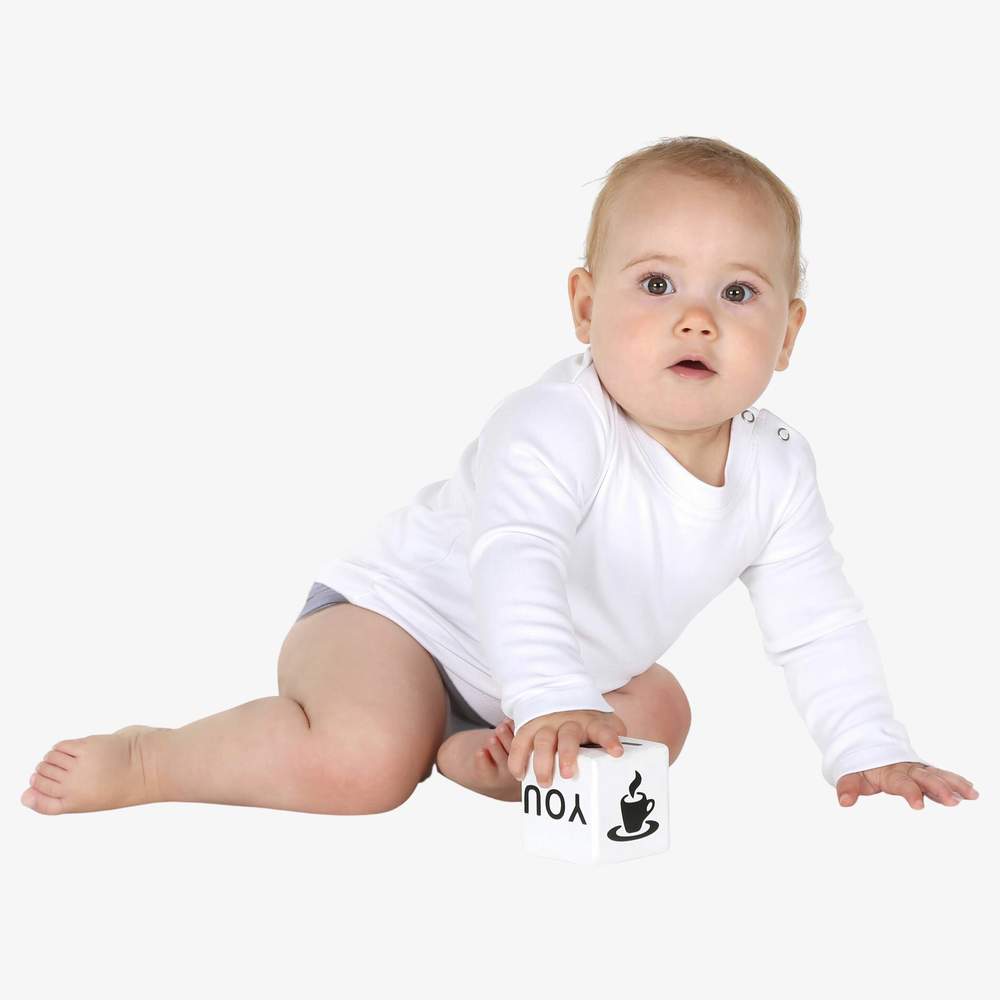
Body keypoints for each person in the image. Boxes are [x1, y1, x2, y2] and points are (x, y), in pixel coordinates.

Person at [21, 136, 979, 816]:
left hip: (548, 681)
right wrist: (553, 693)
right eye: (657, 285)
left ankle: (487, 758)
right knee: (366, 765)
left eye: (739, 292)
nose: (697, 318)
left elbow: (818, 622)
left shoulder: (778, 469)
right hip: (395, 626)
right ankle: (153, 760)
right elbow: (516, 555)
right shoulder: (557, 422)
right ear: (584, 306)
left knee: (662, 715)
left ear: (790, 333)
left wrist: (870, 748)